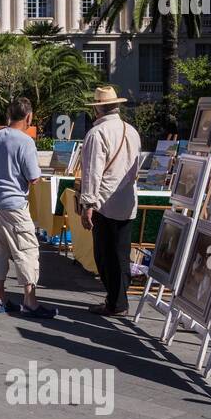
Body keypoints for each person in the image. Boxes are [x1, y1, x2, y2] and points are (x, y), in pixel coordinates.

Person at [0, 97, 57, 319]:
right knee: (27, 250)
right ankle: (30, 300)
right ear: (29, 116)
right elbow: (34, 177)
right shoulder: (25, 141)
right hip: (16, 203)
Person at [79, 85, 142, 317]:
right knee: (121, 254)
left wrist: (88, 204)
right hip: (127, 200)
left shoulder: (97, 134)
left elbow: (93, 172)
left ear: (98, 109)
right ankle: (119, 300)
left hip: (104, 202)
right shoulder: (132, 131)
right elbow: (136, 168)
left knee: (105, 256)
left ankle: (115, 303)